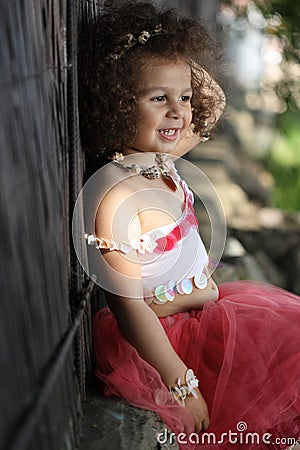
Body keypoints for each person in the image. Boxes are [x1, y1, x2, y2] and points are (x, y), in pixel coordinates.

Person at [76, 1, 300, 448]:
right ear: (118, 104)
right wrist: (181, 383)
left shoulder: (160, 161)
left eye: (183, 97)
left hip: (213, 316)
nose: (180, 113)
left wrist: (166, 50)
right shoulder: (116, 195)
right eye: (159, 98)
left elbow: (212, 102)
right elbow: (130, 306)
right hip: (176, 348)